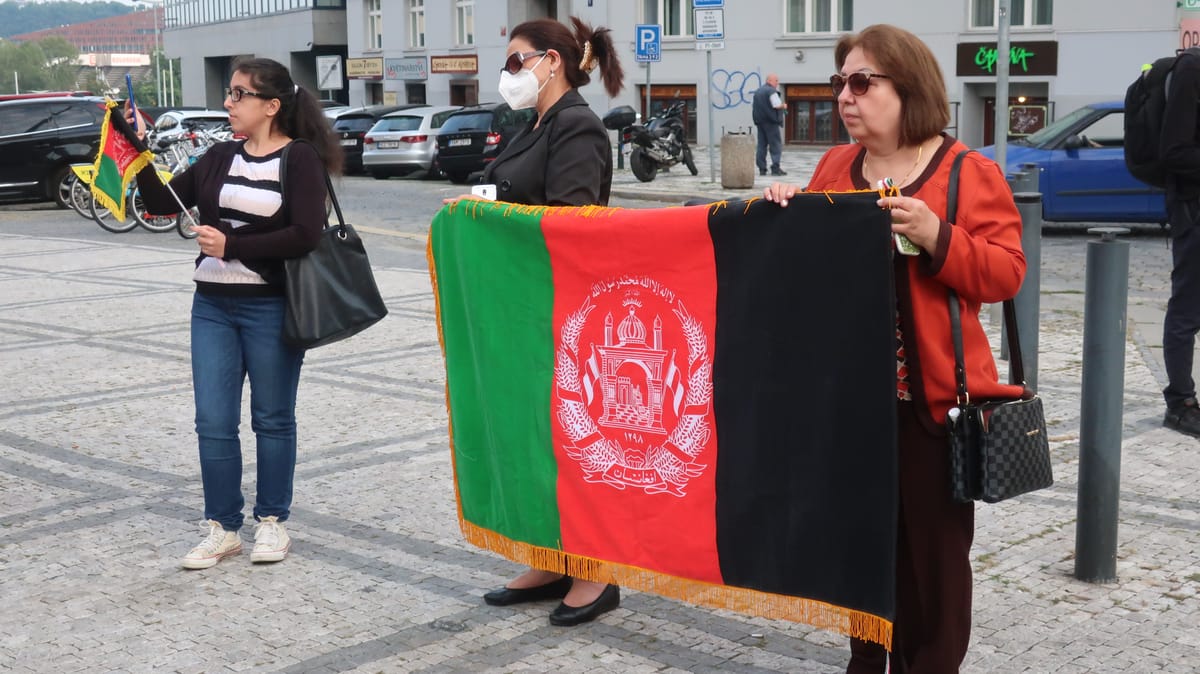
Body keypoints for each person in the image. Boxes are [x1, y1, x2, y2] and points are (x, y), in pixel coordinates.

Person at [763, 25, 1026, 672]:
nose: (844, 97)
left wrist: (940, 235)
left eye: (861, 82)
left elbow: (1006, 273)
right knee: (861, 547)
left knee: (931, 561)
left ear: (907, 88)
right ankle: (866, 659)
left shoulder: (968, 172)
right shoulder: (834, 168)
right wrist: (789, 211)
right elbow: (807, 273)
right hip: (850, 402)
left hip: (931, 407)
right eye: (838, 84)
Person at [444, 16, 624, 625]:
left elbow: (571, 222)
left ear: (552, 61)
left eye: (517, 60)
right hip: (522, 312)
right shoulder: (534, 124)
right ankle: (550, 556)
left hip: (561, 310)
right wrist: (478, 205)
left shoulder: (578, 126)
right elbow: (510, 194)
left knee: (568, 442)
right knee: (533, 438)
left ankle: (596, 574)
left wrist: (486, 212)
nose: (508, 71)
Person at [129, 57, 342, 570]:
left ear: (271, 105)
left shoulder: (301, 159)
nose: (229, 102)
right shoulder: (221, 155)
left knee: (271, 418)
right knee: (213, 422)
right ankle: (223, 528)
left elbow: (305, 234)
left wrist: (232, 244)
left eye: (239, 94)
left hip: (270, 307)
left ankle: (272, 522)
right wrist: (135, 146)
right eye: (229, 92)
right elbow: (161, 202)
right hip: (213, 307)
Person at [1159, 47, 1200, 437]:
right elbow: (1174, 151)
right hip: (1194, 211)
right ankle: (1180, 402)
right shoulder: (1193, 69)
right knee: (1187, 309)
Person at [752, 73, 787, 177]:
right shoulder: (771, 91)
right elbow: (776, 105)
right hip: (771, 122)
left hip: (760, 122)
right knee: (775, 145)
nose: (777, 83)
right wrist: (783, 106)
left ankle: (762, 169)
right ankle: (775, 168)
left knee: (761, 146)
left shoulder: (758, 91)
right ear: (770, 81)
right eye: (776, 81)